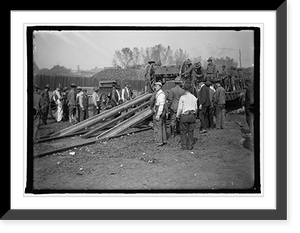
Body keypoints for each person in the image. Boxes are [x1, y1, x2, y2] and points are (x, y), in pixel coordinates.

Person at [176, 81, 198, 150]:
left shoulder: (182, 97)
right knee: (191, 131)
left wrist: (177, 116)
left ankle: (184, 145)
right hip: (192, 115)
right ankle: (190, 145)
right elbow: (196, 108)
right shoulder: (194, 97)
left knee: (183, 131)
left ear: (184, 89)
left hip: (184, 115)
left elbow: (180, 108)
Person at [152, 82, 167, 147]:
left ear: (160, 86)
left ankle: (159, 141)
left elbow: (161, 105)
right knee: (162, 125)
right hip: (158, 109)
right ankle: (164, 140)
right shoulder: (159, 93)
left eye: (156, 86)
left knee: (158, 126)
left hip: (159, 110)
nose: (155, 87)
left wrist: (158, 114)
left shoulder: (161, 94)